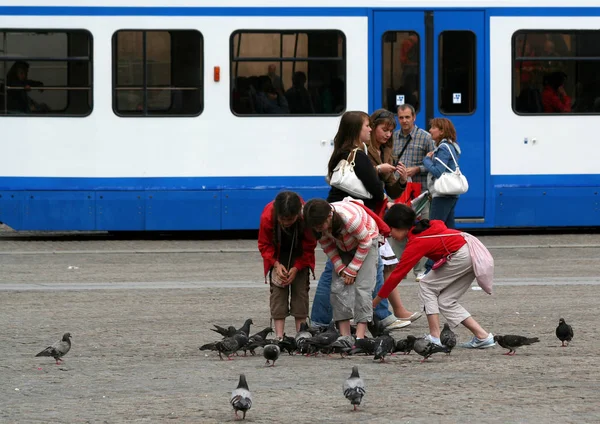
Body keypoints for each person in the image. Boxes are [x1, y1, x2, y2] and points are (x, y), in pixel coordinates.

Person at [309, 111, 408, 331]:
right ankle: (320, 321)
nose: (370, 129)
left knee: (372, 266)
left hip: (341, 214)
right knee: (336, 272)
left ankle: (380, 317)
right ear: (356, 129)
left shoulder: (342, 153)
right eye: (366, 126)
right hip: (349, 219)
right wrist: (379, 174)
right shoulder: (358, 154)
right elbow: (375, 190)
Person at [373, 204, 495, 349]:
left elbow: (396, 276)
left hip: (461, 256)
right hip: (469, 254)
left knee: (426, 285)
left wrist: (374, 303)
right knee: (446, 301)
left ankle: (435, 337)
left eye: (390, 229)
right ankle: (483, 336)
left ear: (400, 226)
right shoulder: (425, 227)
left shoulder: (417, 241)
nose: (389, 234)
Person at [367, 109, 422, 324]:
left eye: (391, 131)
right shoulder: (365, 152)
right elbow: (367, 181)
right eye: (384, 130)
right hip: (369, 215)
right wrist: (378, 169)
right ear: (373, 128)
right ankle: (385, 314)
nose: (388, 135)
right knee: (383, 266)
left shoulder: (386, 152)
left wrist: (401, 178)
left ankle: (396, 311)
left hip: (377, 215)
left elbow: (394, 191)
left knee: (387, 265)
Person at [304, 198, 379, 339]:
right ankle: (345, 336)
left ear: (329, 216)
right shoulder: (317, 227)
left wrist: (352, 269)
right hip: (342, 244)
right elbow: (327, 246)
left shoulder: (349, 219)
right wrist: (340, 267)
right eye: (314, 226)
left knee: (362, 288)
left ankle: (360, 337)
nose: (317, 228)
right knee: (338, 287)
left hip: (367, 240)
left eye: (320, 224)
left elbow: (365, 242)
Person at [258, 191, 317, 339]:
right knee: (278, 294)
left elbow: (310, 246)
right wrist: (275, 264)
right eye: (282, 219)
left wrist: (297, 267)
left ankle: (301, 335)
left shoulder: (307, 217)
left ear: (298, 213)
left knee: (301, 293)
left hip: (300, 255)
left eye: (290, 219)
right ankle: (279, 336)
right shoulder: (267, 216)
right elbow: (264, 245)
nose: (285, 223)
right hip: (276, 256)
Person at [390, 104, 435, 282]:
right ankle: (397, 266)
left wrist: (417, 169)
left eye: (407, 117)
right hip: (400, 192)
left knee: (420, 230)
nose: (404, 121)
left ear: (414, 117)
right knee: (398, 229)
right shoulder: (393, 138)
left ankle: (420, 270)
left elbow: (433, 164)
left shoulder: (425, 137)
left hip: (420, 193)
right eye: (401, 118)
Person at [422, 117, 462, 275]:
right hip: (451, 194)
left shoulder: (443, 148)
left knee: (434, 229)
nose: (430, 130)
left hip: (442, 194)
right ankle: (457, 260)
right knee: (449, 229)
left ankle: (429, 267)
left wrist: (426, 160)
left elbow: (438, 172)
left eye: (433, 128)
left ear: (442, 131)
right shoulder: (452, 147)